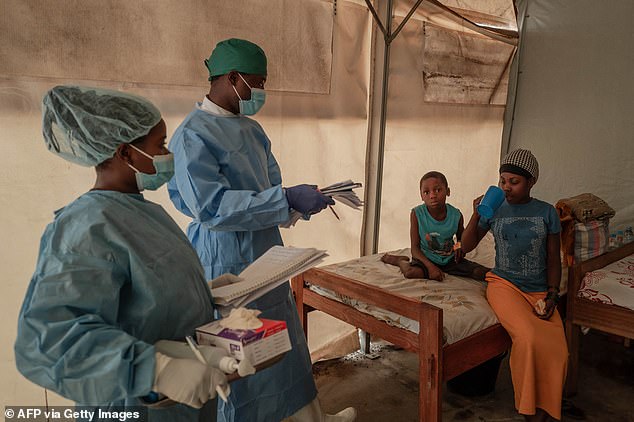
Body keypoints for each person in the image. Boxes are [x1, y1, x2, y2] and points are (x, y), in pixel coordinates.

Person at [14, 86, 231, 422]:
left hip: (181, 402)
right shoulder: (86, 227)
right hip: (130, 404)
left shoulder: (142, 211)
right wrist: (154, 371)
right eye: (159, 145)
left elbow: (141, 291)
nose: (167, 153)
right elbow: (51, 341)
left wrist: (205, 292)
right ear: (126, 154)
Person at [168, 38, 356, 422]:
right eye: (258, 82)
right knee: (239, 355)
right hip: (221, 256)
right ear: (233, 78)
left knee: (282, 344)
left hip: (266, 252)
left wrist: (299, 205)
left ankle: (310, 417)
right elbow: (212, 207)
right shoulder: (192, 135)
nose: (261, 92)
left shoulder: (252, 130)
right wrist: (283, 199)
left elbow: (270, 190)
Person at [461, 149, 568, 422]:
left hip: (539, 289)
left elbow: (553, 260)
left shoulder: (547, 212)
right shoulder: (495, 208)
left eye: (514, 182)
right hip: (504, 284)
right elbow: (467, 245)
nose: (506, 187)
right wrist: (476, 214)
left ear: (531, 181)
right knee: (529, 338)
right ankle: (529, 411)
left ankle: (547, 409)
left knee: (558, 347)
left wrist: (553, 294)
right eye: (502, 181)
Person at [381, 171, 489, 282]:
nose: (432, 196)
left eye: (438, 190)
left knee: (481, 273)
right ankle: (400, 261)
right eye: (426, 192)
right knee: (411, 273)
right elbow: (415, 248)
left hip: (449, 259)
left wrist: (458, 247)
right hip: (425, 257)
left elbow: (461, 240)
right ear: (421, 196)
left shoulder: (456, 215)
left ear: (448, 191)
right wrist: (431, 267)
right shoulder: (417, 214)